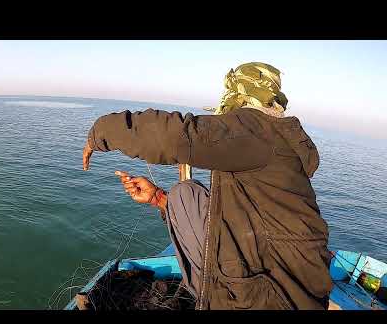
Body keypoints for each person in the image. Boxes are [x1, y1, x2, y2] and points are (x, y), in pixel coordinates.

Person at [82, 62, 333, 310]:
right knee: (186, 193)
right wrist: (158, 198)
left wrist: (100, 133)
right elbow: (244, 216)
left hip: (278, 296)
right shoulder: (274, 144)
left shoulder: (256, 130)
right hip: (288, 282)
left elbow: (178, 136)